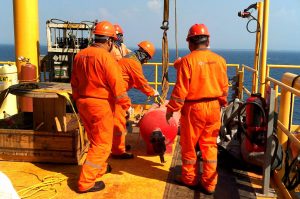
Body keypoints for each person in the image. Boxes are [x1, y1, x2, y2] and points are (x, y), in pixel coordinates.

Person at [165, 24, 228, 195]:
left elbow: (180, 91)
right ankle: (209, 184)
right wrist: (222, 102)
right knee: (209, 146)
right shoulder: (220, 60)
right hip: (214, 106)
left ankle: (190, 178)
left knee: (189, 145)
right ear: (207, 41)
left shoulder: (187, 61)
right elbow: (224, 88)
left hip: (194, 108)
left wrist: (171, 109)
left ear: (190, 43)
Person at [71, 20, 131, 193]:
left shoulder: (80, 55)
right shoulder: (107, 58)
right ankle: (86, 182)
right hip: (100, 105)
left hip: (83, 103)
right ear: (110, 41)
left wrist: (78, 100)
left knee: (94, 140)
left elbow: (74, 82)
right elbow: (118, 86)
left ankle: (100, 168)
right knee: (103, 144)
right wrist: (126, 105)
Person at [111, 40, 159, 159]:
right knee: (119, 123)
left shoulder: (128, 59)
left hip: (116, 92)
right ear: (144, 54)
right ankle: (117, 151)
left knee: (120, 121)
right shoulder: (133, 63)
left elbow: (135, 82)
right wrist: (153, 92)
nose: (146, 61)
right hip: (116, 95)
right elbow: (141, 82)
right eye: (146, 59)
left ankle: (118, 146)